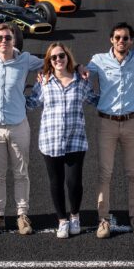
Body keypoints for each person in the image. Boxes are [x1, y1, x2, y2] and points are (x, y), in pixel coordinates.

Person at [86, 22, 134, 237]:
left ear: (131, 41)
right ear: (111, 39)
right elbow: (80, 72)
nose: (122, 41)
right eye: (118, 37)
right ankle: (103, 219)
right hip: (106, 124)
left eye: (126, 38)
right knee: (105, 173)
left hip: (131, 123)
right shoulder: (98, 60)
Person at [0, 23, 44, 236]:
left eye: (8, 38)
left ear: (14, 40)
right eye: (0, 38)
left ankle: (22, 214)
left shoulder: (25, 60)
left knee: (21, 172)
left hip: (18, 125)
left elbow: (50, 62)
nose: (4, 41)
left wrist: (50, 74)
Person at [26, 43, 98, 238]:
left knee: (74, 182)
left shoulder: (81, 80)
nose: (58, 60)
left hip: (76, 139)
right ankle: (62, 220)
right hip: (51, 139)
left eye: (61, 56)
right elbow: (32, 103)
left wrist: (117, 101)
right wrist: (11, 97)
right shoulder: (44, 81)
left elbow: (94, 99)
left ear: (68, 57)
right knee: (55, 182)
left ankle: (75, 215)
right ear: (49, 61)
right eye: (53, 58)